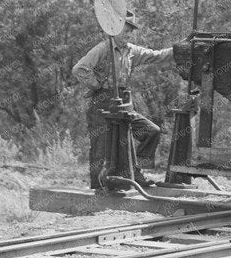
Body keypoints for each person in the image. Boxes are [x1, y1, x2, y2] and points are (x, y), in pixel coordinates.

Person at [71, 33, 171, 190]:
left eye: (130, 32)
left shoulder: (132, 50)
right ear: (115, 30)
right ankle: (98, 191)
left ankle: (136, 172)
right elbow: (79, 69)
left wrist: (180, 48)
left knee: (152, 132)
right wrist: (96, 84)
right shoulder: (103, 48)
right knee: (100, 150)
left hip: (123, 104)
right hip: (101, 103)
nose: (128, 35)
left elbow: (156, 56)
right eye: (125, 31)